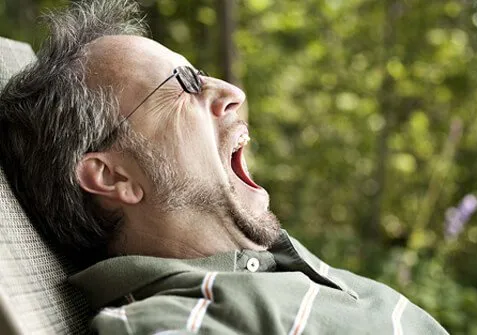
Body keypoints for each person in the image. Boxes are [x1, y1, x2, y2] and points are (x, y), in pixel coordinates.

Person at [0, 0, 448, 334]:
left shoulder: (269, 273)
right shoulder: (184, 323)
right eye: (185, 84)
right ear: (113, 176)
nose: (232, 90)